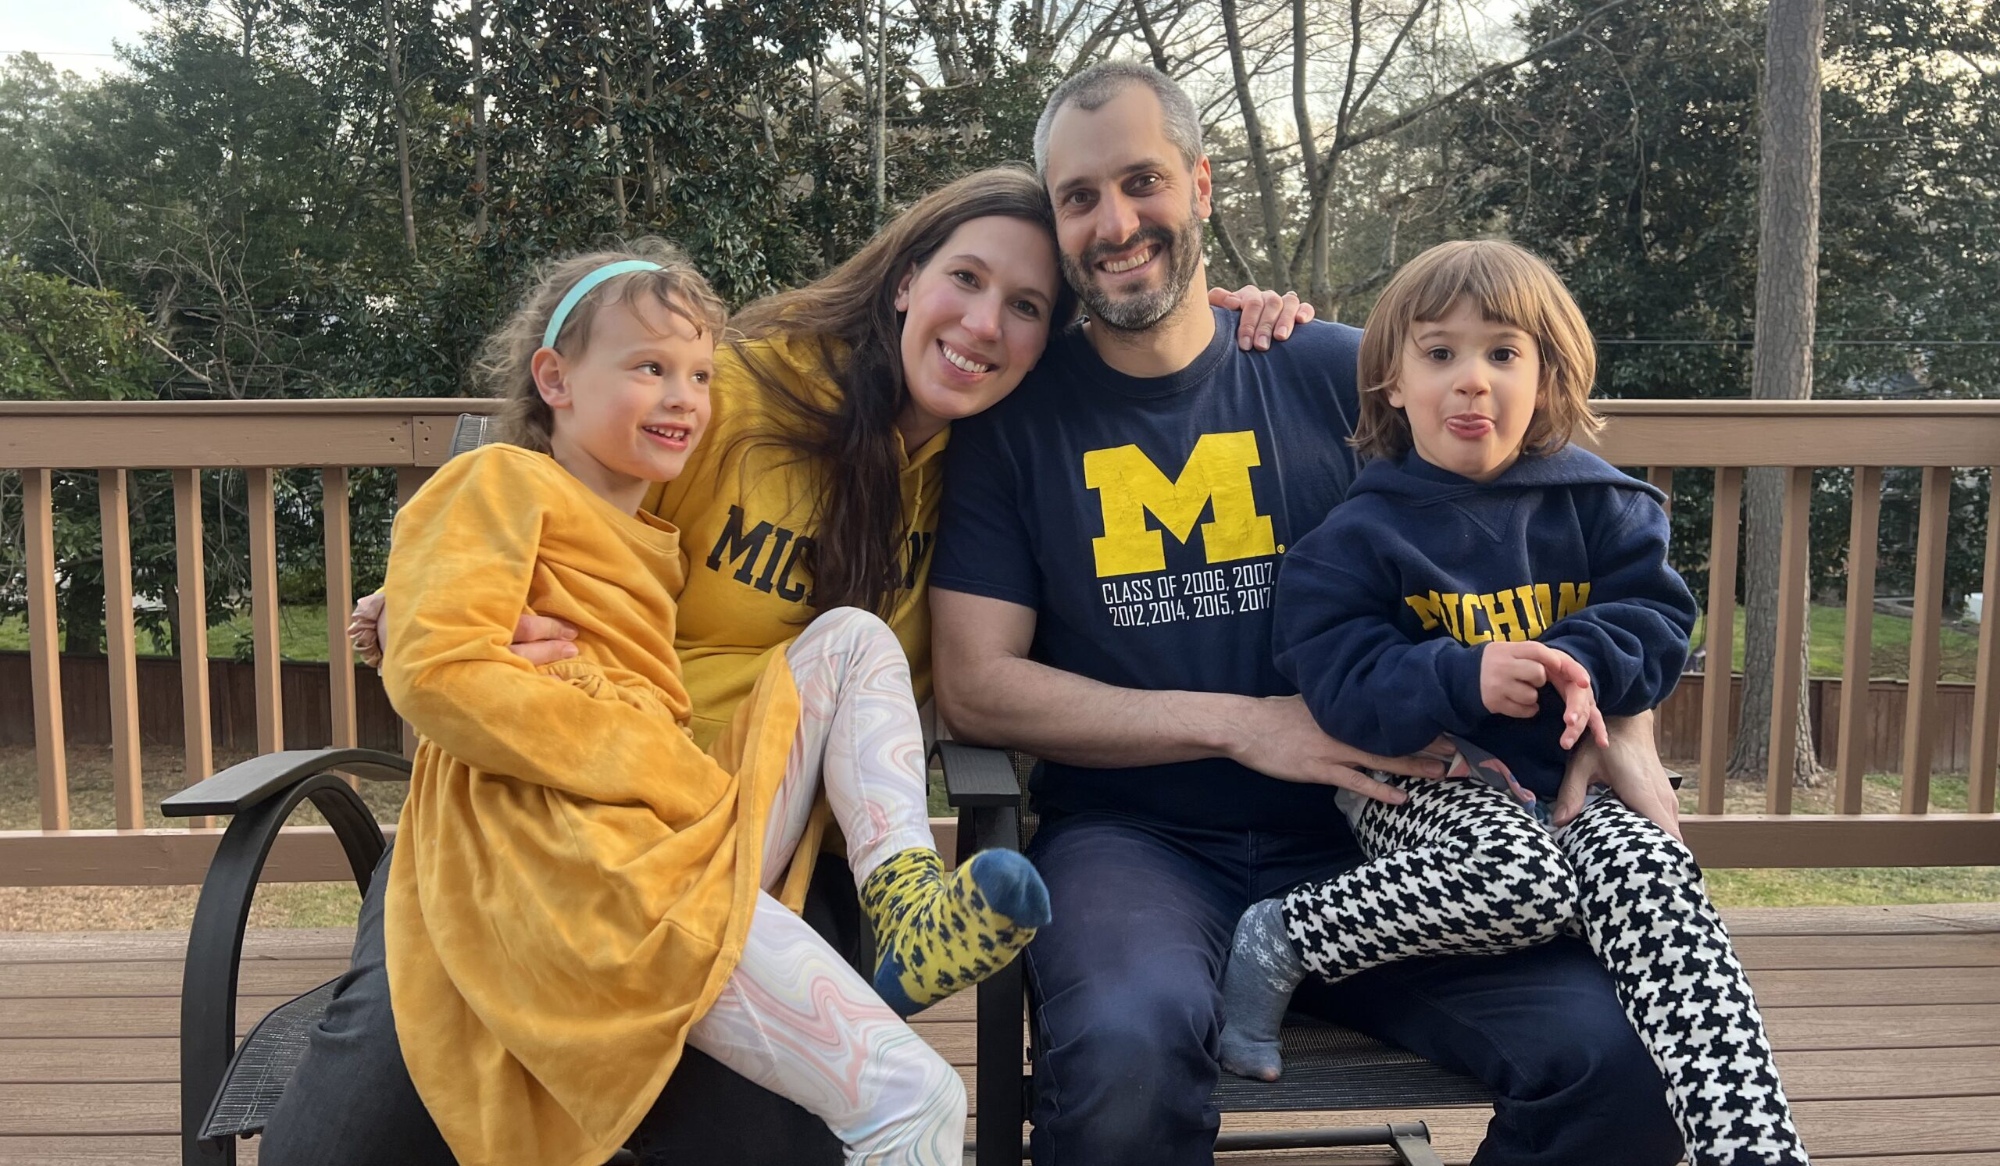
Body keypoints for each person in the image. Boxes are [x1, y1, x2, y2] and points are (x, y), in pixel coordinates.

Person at [931, 63, 1697, 1165]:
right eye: (1079, 197)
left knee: (1628, 1059)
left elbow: (1580, 541)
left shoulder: (1345, 374)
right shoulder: (1016, 421)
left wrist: (1626, 723)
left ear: (1201, 186)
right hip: (1135, 842)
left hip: (1394, 837)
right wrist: (1245, 724)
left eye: (1143, 181)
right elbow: (974, 685)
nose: (1116, 223)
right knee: (1122, 1063)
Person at [264, 240, 1055, 1166]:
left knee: (856, 638)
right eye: (653, 370)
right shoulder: (534, 473)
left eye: (697, 377)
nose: (685, 397)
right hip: (582, 843)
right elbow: (451, 657)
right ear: (554, 379)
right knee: (908, 1100)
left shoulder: (993, 459)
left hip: (699, 819)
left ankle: (906, 901)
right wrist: (414, 607)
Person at [1215, 239, 1808, 1165]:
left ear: (1547, 378)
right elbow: (1335, 679)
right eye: (1439, 353)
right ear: (1392, 383)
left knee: (1656, 875)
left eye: (1502, 353)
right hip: (1425, 785)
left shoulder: (1598, 504)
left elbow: (1657, 619)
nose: (1472, 380)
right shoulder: (1358, 535)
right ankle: (1286, 933)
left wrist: (1583, 659)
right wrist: (1463, 675)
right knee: (1523, 877)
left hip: (1568, 786)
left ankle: (1754, 1149)